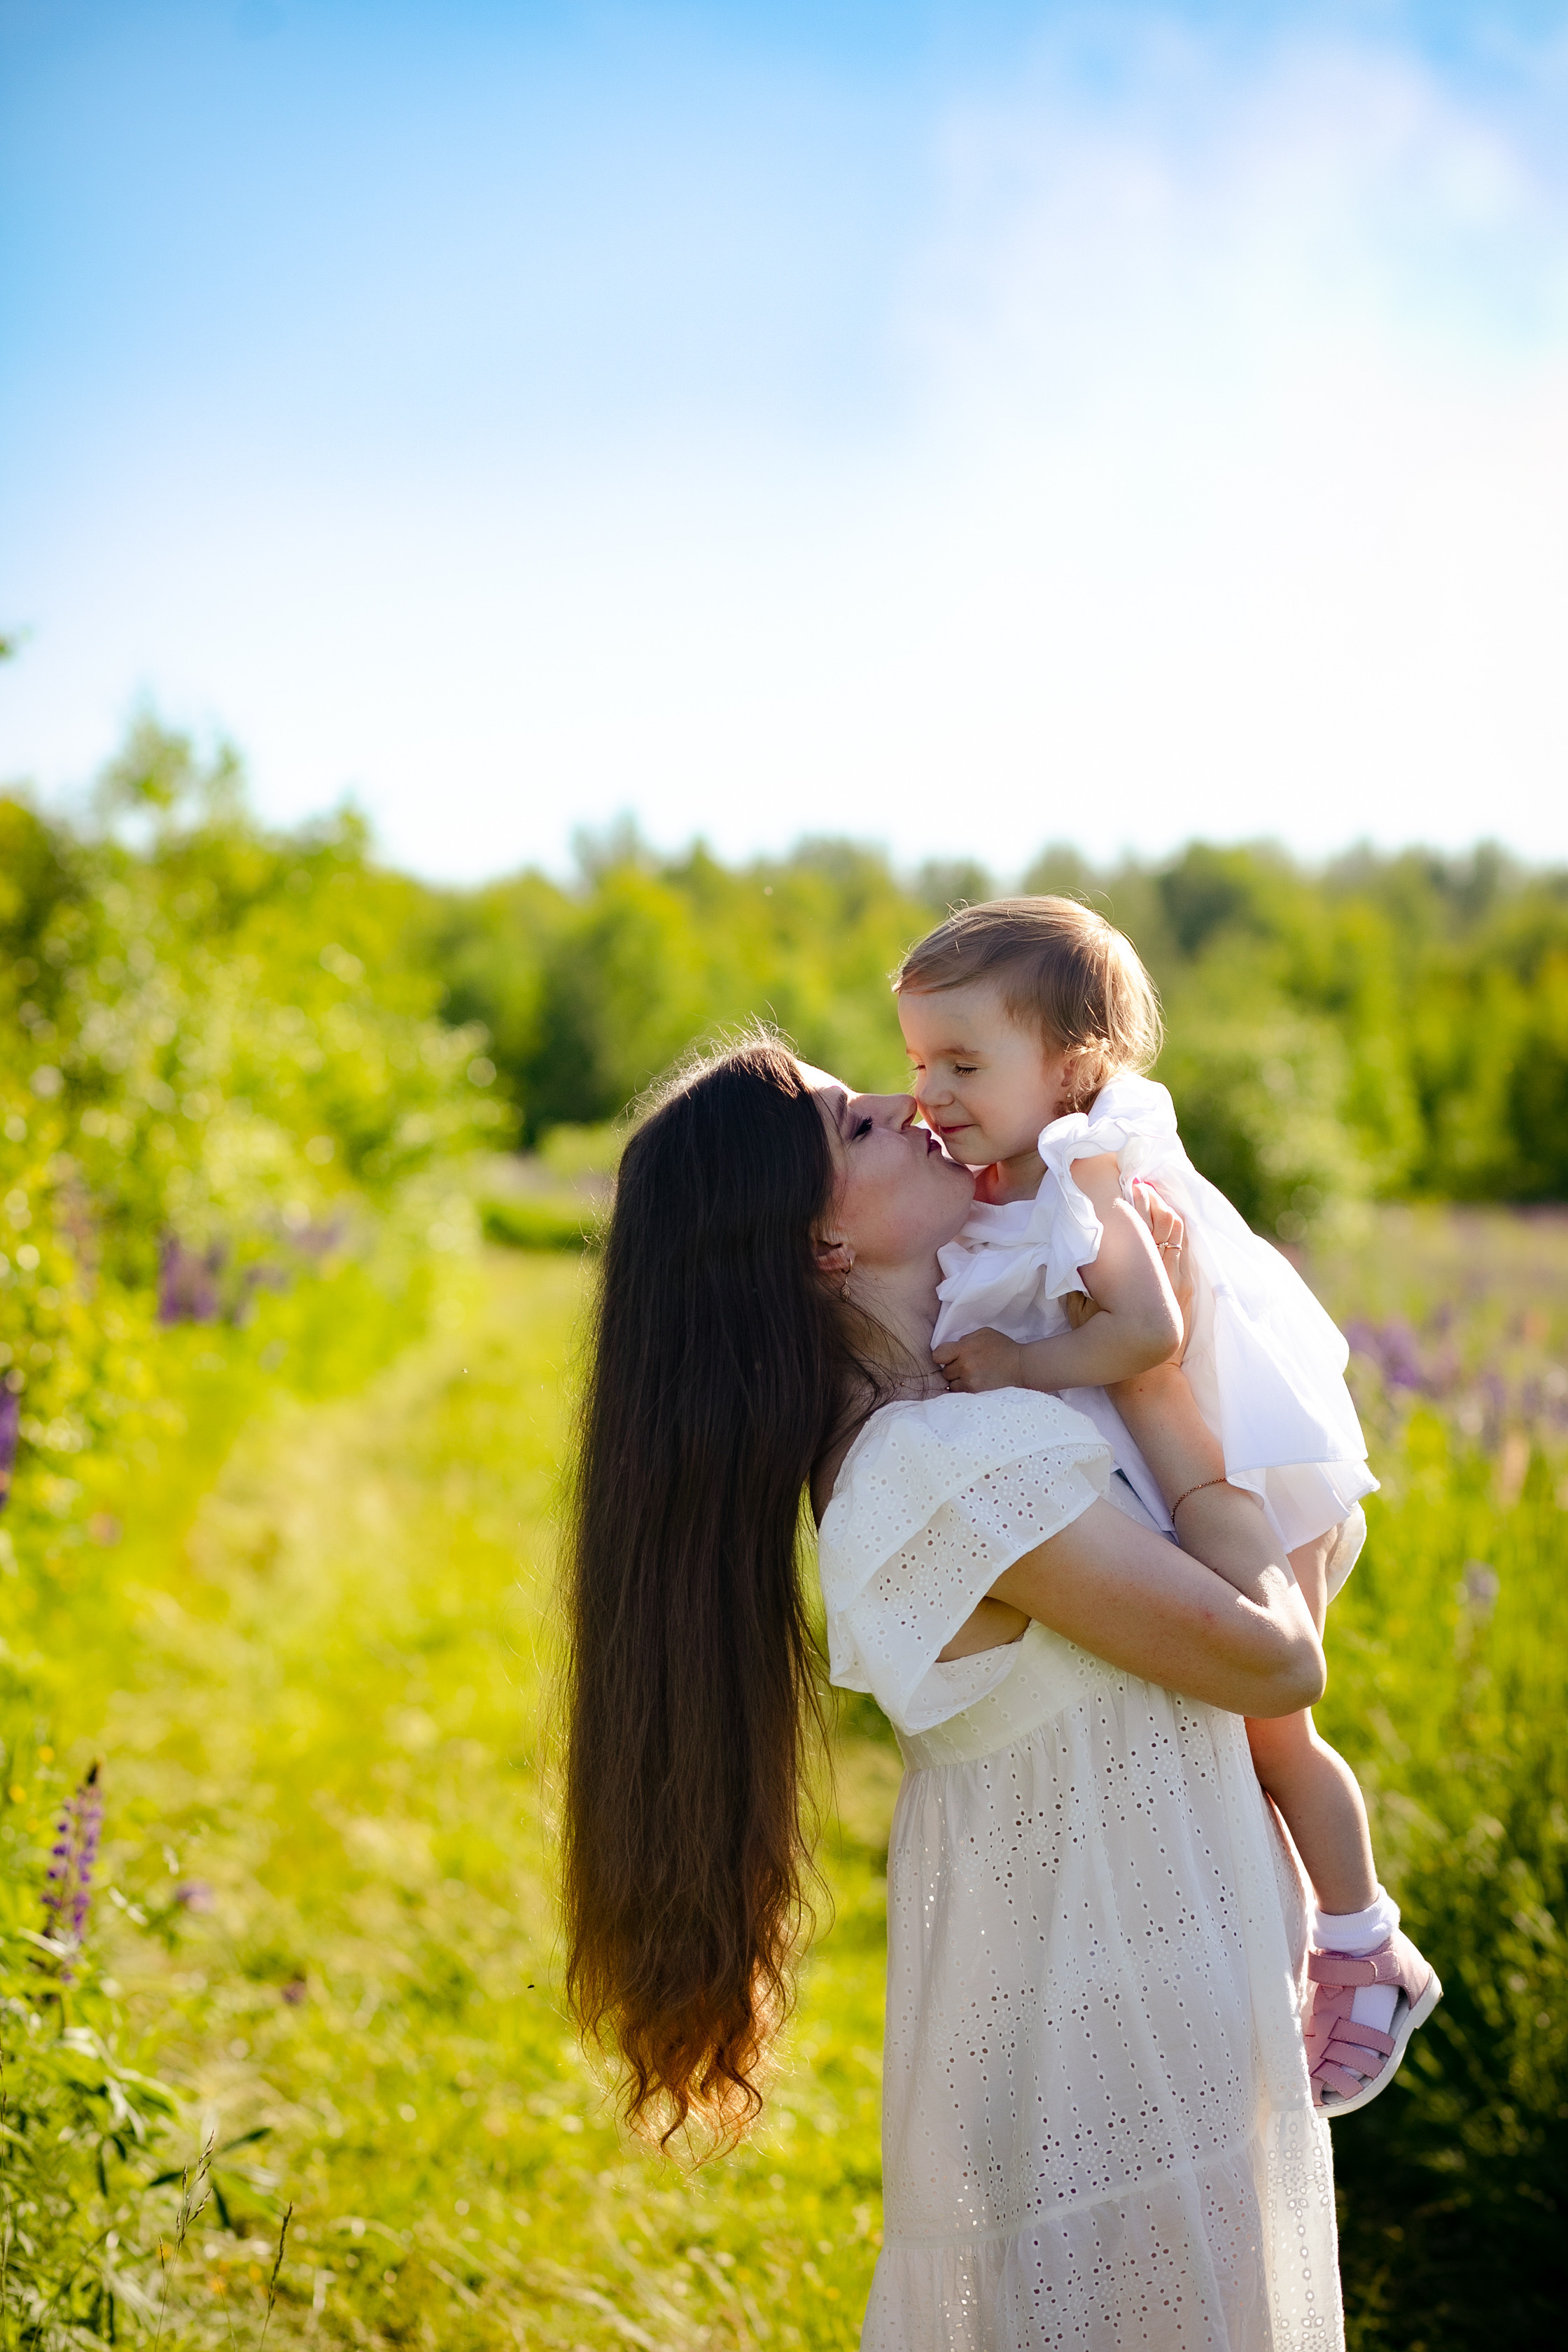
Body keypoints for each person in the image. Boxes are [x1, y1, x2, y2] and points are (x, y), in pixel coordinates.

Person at [561, 1035, 1343, 2349]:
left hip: (1138, 2003)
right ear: (819, 1247)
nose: (901, 1105)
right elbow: (1275, 1659)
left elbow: (1239, 1657)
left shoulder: (976, 1416)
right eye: (851, 1127)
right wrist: (1158, 1391)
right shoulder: (944, 1466)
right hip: (1113, 2049)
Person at [897, 898, 1439, 2113]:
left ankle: (1367, 1946)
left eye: (965, 1063)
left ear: (1074, 1065)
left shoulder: (1086, 1174)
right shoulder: (1026, 1166)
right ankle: (1293, 1960)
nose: (930, 1091)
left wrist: (1019, 1367)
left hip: (1244, 1455)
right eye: (920, 1061)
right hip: (1205, 1460)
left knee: (1272, 1728)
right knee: (1232, 1747)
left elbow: (1150, 1331)